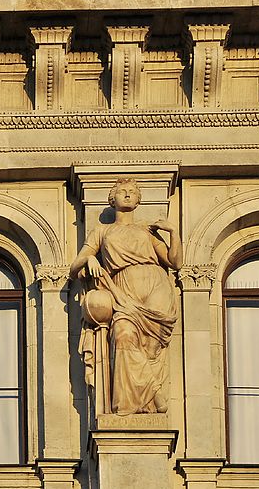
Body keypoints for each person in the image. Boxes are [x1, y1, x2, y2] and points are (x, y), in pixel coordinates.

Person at [69, 178, 181, 415]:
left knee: (151, 350)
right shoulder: (102, 231)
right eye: (122, 191)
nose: (127, 194)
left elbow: (175, 262)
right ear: (113, 199)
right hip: (122, 289)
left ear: (139, 199)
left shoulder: (147, 231)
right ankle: (146, 396)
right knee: (123, 334)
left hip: (156, 286)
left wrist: (173, 233)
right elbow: (74, 267)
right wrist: (90, 258)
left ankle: (148, 406)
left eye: (132, 191)